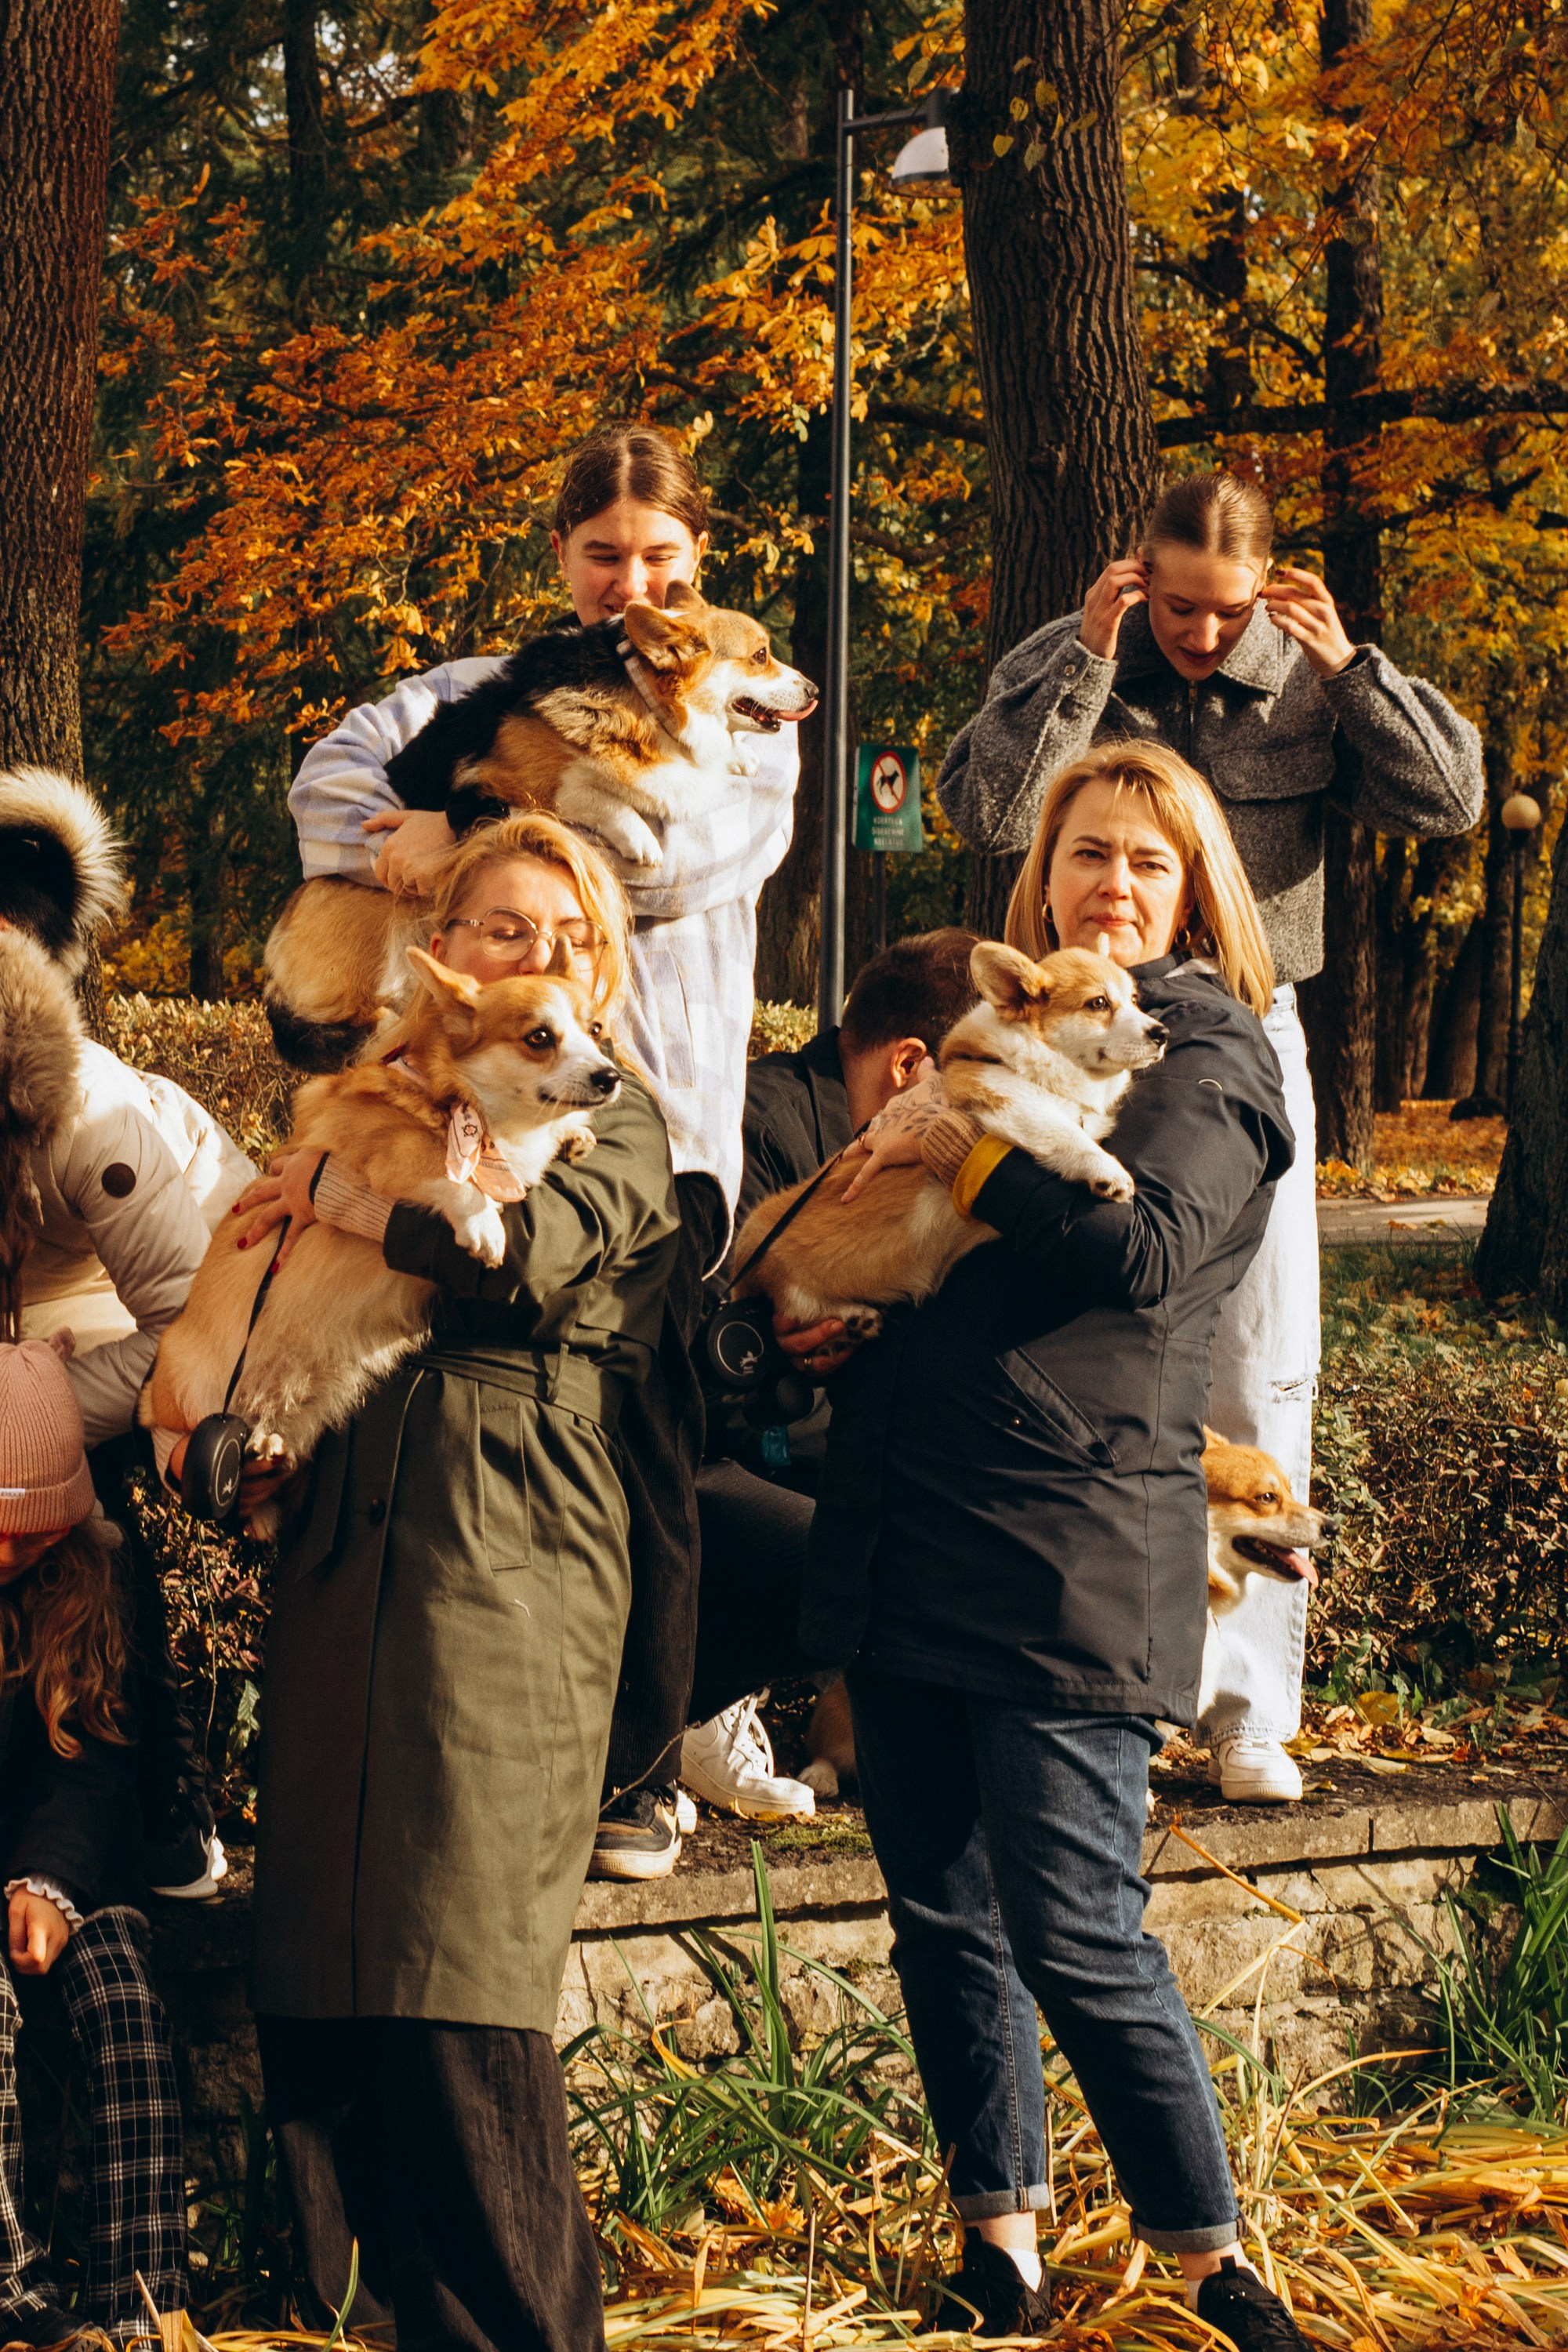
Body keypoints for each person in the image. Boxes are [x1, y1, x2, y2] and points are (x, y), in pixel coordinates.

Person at [804, 742, 1312, 2350]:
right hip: (909, 1524)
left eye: (1145, 861)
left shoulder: (1206, 1052)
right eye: (1086, 852)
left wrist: (955, 1145)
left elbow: (1147, 1255)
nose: (1112, 881)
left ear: (1194, 888)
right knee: (942, 1921)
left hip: (1066, 1544)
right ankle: (998, 2254)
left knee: (1077, 1929)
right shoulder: (990, 1026)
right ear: (1042, 876)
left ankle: (1213, 2269)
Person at [285, 421, 802, 1878]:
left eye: (660, 560)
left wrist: (456, 822)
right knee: (488, 1439)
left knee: (649, 1449)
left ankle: (650, 1761)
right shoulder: (477, 688)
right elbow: (329, 786)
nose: (631, 585)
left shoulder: (749, 721)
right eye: (603, 557)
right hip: (465, 1122)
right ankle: (505, 1742)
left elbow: (650, 859)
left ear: (698, 568)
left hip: (654, 1131)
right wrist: (401, 843)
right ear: (563, 560)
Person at [198, 815, 679, 2352]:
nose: (532, 953)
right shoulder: (359, 1114)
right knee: (334, 1999)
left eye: (563, 936)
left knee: (456, 1990)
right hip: (348, 1562)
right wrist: (232, 1442)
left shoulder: (616, 1119)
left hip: (508, 1564)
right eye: (498, 928)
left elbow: (520, 1263)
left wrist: (346, 1206)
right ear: (442, 961)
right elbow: (263, 1311)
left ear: (597, 968)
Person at [938, 470, 1483, 1802]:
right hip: (1073, 1027)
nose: (1196, 632)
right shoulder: (1079, 649)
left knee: (1261, 1358)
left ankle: (1251, 1708)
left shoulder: (1311, 670)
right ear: (1140, 572)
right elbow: (987, 813)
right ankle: (1089, 1675)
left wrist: (1353, 671)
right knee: (1061, 1334)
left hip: (1241, 1026)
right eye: (1177, 604)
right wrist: (1080, 662)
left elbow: (1450, 802)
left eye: (1222, 610)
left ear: (1267, 590)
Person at [1, 767, 251, 1896]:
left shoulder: (87, 1113)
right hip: (50, 1285)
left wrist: (39, 1405)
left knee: (84, 1485)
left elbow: (188, 1315)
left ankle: (173, 1800)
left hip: (200, 1276)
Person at [681, 929, 982, 1817]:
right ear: (910, 1065)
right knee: (886, 1560)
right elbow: (718, 1339)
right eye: (974, 1077)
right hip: (706, 1462)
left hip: (820, 1451)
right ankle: (685, 1702)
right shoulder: (760, 1123)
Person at [0, 1338, 189, 2349]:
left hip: (70, 1876)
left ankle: (145, 2298)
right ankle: (12, 2291)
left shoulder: (88, 1590)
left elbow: (96, 1760)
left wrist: (50, 1881)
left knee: (122, 2000)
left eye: (27, 1538)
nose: (7, 1556)